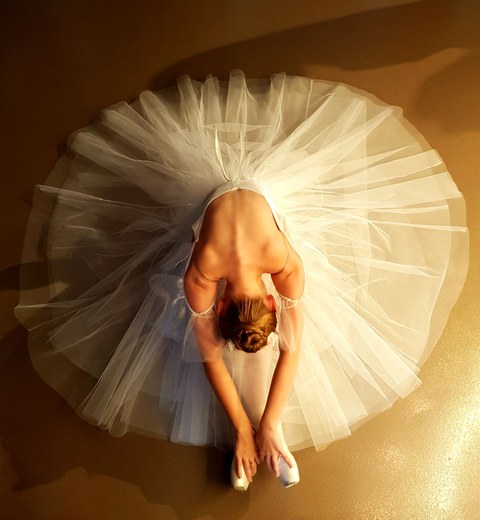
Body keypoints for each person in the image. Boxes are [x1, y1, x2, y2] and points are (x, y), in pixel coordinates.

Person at [15, 71, 468, 491]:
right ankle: (263, 440)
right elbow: (224, 356)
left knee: (252, 355)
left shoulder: (263, 262)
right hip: (222, 211)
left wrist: (261, 424)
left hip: (257, 208)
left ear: (261, 304)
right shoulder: (207, 270)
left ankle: (268, 436)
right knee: (216, 352)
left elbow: (283, 347)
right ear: (235, 306)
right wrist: (243, 428)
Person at [184, 185, 305, 488]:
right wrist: (241, 428)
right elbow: (210, 358)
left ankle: (269, 430)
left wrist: (268, 421)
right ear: (273, 300)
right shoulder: (202, 271)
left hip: (254, 198)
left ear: (219, 304)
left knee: (250, 346)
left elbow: (293, 349)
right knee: (234, 348)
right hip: (215, 199)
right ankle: (261, 432)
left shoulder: (204, 274)